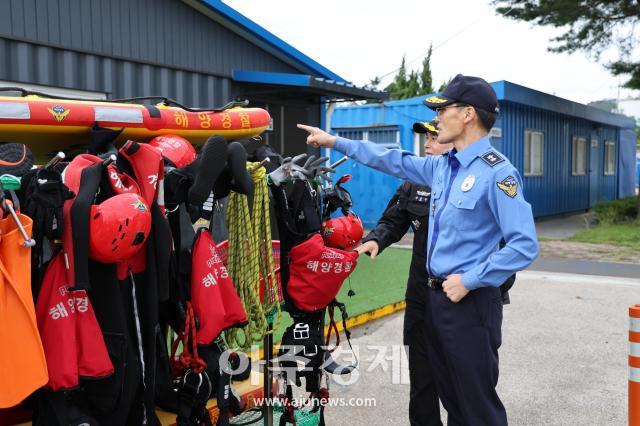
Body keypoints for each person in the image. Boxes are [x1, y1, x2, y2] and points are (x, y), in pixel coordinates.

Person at [298, 74, 538, 426]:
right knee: (452, 400)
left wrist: (471, 280)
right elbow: (390, 159)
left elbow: (524, 245)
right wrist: (335, 141)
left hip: (469, 304)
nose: (437, 118)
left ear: (468, 114)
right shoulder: (443, 167)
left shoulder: (498, 174)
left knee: (477, 408)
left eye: (444, 109)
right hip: (436, 300)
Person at [356, 118, 449, 426]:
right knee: (421, 378)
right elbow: (392, 221)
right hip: (421, 295)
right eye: (427, 137)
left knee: (462, 382)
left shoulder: (476, 182)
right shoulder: (415, 184)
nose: (428, 143)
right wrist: (374, 240)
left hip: (460, 299)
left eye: (435, 137)